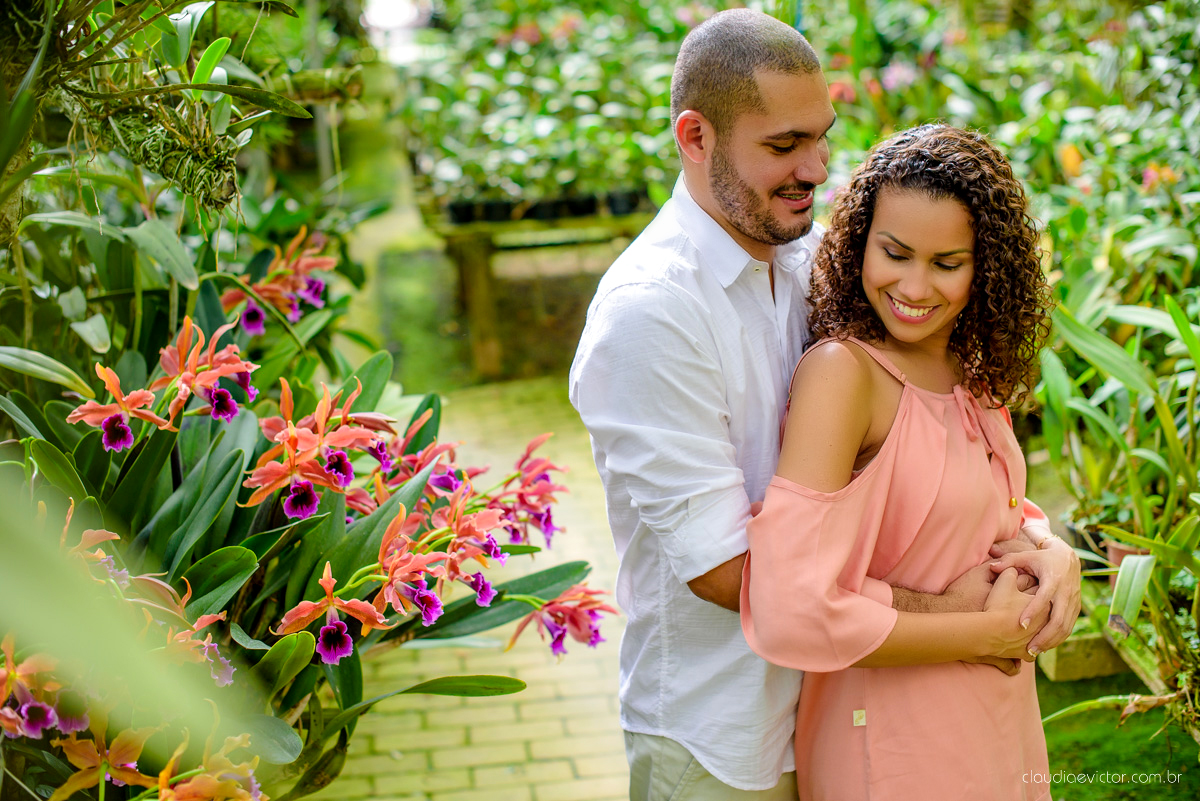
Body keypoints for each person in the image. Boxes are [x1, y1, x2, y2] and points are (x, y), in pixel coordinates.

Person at [570, 9, 1078, 800]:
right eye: (782, 146)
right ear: (695, 138)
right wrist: (956, 612)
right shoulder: (650, 314)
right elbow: (728, 568)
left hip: (851, 709)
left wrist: (1043, 550)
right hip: (724, 737)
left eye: (820, 137)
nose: (814, 169)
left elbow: (927, 454)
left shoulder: (815, 259)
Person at [740, 124, 1058, 801]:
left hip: (997, 721)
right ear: (859, 242)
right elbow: (790, 606)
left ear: (986, 266)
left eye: (948, 263)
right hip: (891, 740)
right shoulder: (844, 376)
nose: (915, 286)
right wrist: (985, 632)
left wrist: (1051, 553)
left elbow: (973, 514)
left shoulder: (968, 369)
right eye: (894, 252)